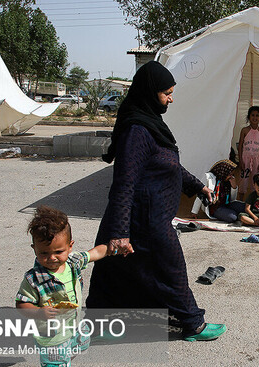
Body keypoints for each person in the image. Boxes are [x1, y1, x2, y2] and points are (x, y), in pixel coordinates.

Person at [86, 61, 226, 342]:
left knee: (117, 273)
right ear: (149, 92)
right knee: (170, 268)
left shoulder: (151, 124)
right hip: (144, 222)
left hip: (149, 217)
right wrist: (120, 232)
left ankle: (102, 323)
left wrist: (198, 187)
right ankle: (192, 324)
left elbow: (169, 165)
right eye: (166, 93)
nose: (171, 98)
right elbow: (124, 183)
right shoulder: (136, 131)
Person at [15, 206, 109, 367]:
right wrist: (38, 312)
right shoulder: (33, 279)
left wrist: (113, 248)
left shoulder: (73, 262)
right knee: (58, 366)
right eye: (44, 253)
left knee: (78, 346)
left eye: (59, 251)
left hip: (72, 326)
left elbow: (95, 252)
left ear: (70, 246)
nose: (52, 258)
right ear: (34, 249)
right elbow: (21, 303)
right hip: (51, 334)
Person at [238, 106, 259, 199]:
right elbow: (240, 146)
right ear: (249, 117)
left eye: (257, 115)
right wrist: (241, 161)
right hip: (245, 159)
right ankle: (241, 199)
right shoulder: (244, 130)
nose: (255, 118)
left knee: (256, 180)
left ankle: (254, 201)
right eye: (252, 115)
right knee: (243, 180)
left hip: (256, 160)